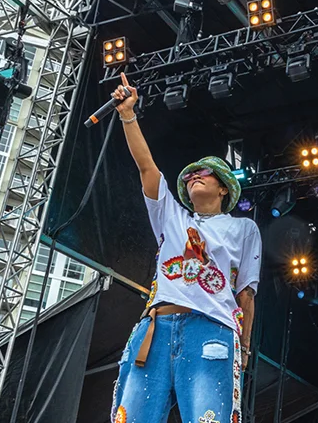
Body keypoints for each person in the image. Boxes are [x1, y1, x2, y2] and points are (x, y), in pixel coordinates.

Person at [109, 74, 262, 423]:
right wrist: (128, 115)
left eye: (203, 173)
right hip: (156, 328)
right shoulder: (171, 217)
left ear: (224, 189)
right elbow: (147, 167)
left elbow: (247, 296)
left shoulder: (243, 228)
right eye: (189, 175)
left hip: (210, 329)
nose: (194, 176)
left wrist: (246, 348)